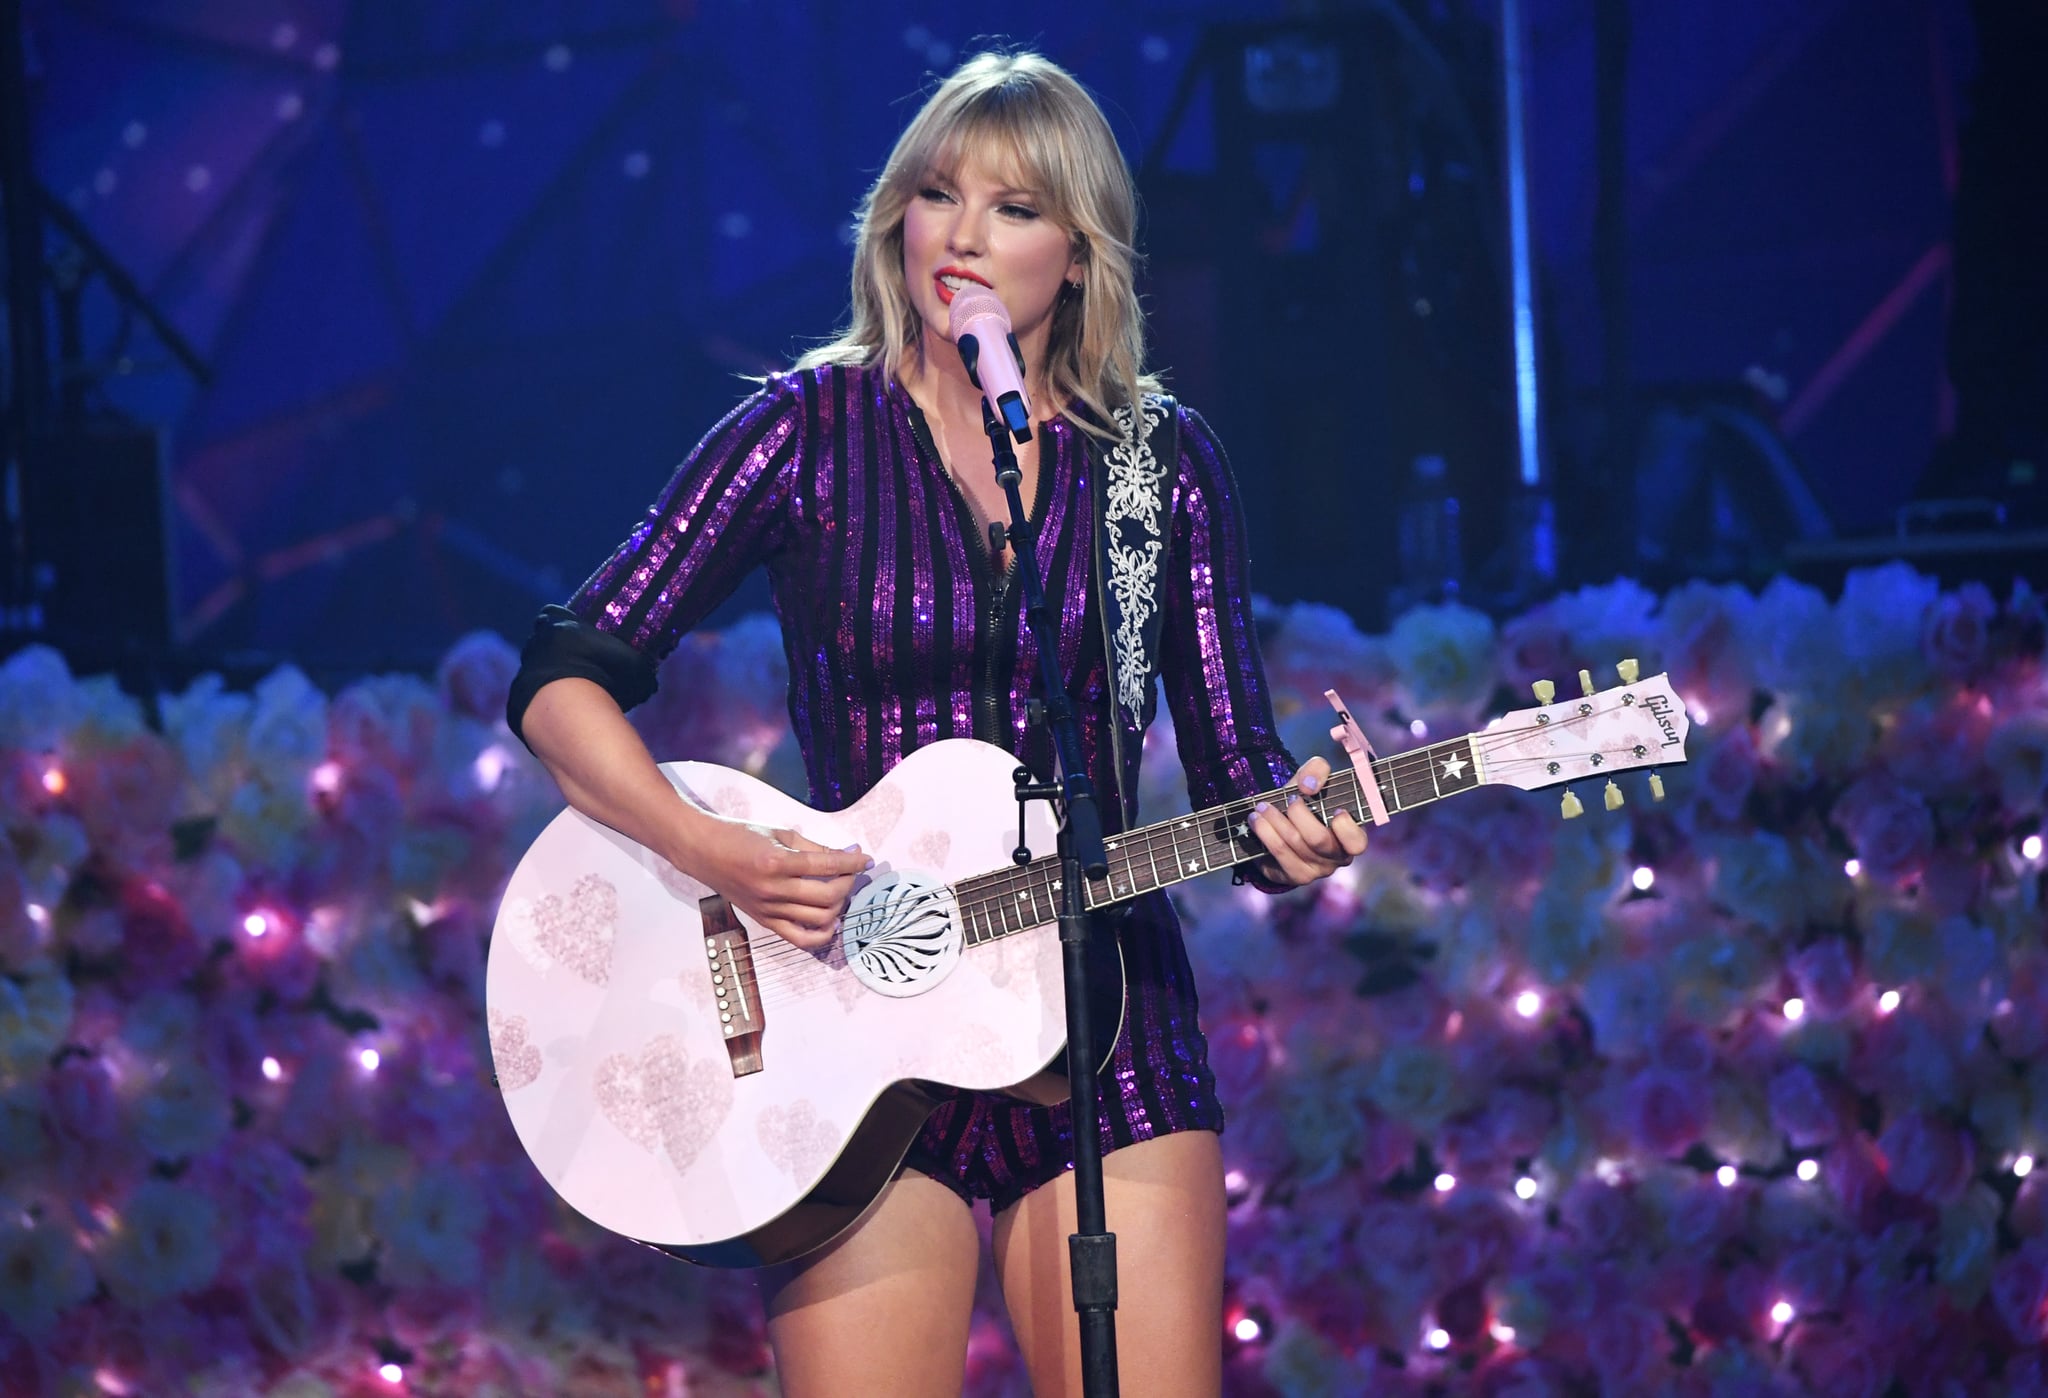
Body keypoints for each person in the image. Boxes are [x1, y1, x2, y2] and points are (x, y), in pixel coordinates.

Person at [505, 51, 1367, 1398]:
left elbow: (1238, 771)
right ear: (894, 218)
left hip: (1103, 1026)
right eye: (936, 194)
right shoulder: (803, 432)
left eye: (1013, 208)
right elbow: (564, 673)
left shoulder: (1161, 465)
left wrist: (1297, 828)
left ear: (1078, 259)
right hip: (840, 1027)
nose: (962, 235)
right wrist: (713, 850)